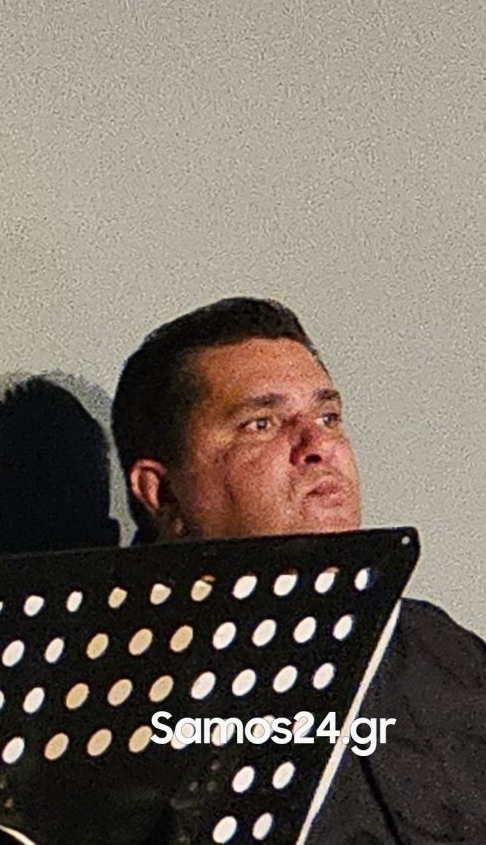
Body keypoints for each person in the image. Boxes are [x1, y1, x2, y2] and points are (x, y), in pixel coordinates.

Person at [112, 296, 486, 843]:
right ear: (163, 493)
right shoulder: (118, 696)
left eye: (328, 417)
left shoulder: (438, 650)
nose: (318, 446)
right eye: (261, 424)